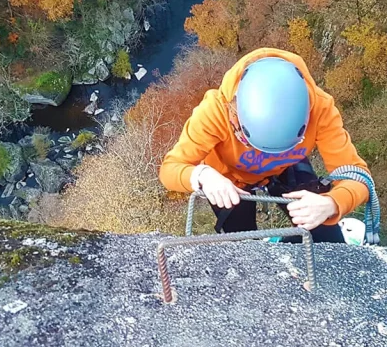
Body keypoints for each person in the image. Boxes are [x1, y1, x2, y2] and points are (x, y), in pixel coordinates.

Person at [159, 48, 370, 243]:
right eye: (243, 135)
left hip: (288, 166)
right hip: (229, 181)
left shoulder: (319, 108)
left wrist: (332, 204)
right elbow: (170, 169)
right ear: (234, 110)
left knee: (325, 238)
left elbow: (358, 176)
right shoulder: (215, 111)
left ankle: (290, 251)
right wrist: (203, 175)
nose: (261, 152)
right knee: (246, 247)